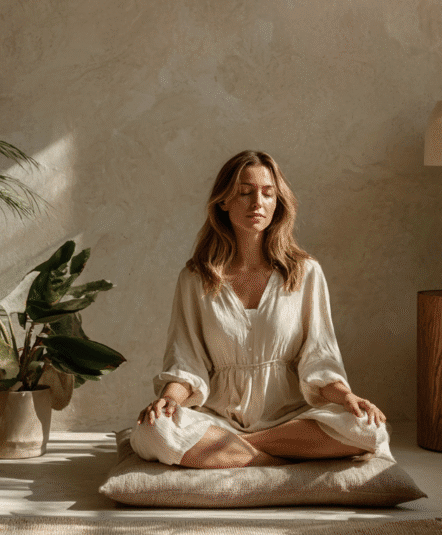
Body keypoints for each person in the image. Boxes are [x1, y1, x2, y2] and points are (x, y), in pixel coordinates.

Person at [130, 150, 392, 469]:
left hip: (292, 420)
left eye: (268, 193)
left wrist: (348, 397)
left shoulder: (304, 273)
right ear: (223, 201)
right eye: (245, 192)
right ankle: (278, 459)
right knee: (151, 432)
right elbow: (186, 361)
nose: (258, 202)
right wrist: (169, 400)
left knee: (370, 428)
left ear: (278, 203)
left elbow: (319, 356)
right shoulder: (196, 278)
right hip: (218, 420)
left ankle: (238, 452)